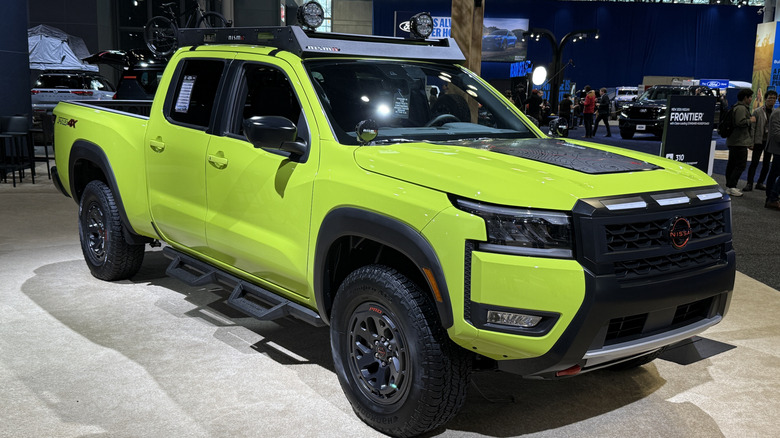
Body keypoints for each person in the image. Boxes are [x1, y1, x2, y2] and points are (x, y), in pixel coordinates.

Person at [724, 88, 756, 197]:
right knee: (740, 165)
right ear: (745, 98)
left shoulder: (737, 107)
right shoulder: (741, 109)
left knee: (732, 164)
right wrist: (750, 121)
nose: (751, 99)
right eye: (750, 97)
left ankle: (729, 186)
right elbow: (740, 122)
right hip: (739, 141)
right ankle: (731, 186)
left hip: (734, 141)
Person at [744, 89, 776, 192]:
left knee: (766, 164)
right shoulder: (757, 111)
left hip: (769, 142)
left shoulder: (776, 112)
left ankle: (760, 182)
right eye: (770, 98)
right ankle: (749, 183)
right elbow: (752, 128)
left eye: (774, 98)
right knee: (754, 163)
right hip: (759, 140)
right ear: (765, 99)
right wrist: (751, 142)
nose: (772, 100)